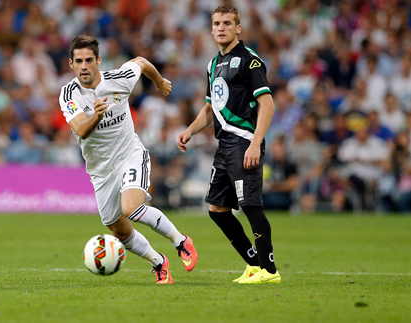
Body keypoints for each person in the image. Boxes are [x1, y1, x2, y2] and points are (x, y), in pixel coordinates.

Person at [58, 35, 197, 284]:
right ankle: (159, 262)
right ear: (71, 64)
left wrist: (159, 81)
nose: (84, 66)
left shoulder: (119, 79)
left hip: (130, 154)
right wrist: (97, 116)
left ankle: (181, 241)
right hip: (100, 171)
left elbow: (142, 62)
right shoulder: (69, 94)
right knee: (119, 229)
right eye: (78, 61)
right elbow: (80, 129)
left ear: (99, 61)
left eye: (89, 60)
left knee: (131, 208)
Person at [177, 4, 280, 284]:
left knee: (250, 206)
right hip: (224, 147)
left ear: (238, 28)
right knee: (217, 210)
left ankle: (269, 271)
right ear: (211, 29)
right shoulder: (213, 65)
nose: (221, 27)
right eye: (216, 23)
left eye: (226, 23)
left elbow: (267, 104)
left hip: (244, 142)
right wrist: (189, 131)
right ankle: (253, 264)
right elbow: (211, 108)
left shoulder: (249, 60)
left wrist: (256, 143)